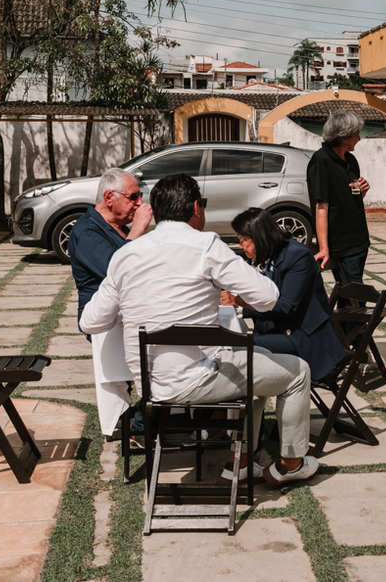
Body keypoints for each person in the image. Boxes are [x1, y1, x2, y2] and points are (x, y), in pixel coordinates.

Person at [80, 174, 319, 486]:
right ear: (196, 208)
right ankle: (291, 463)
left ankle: (242, 462)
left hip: (150, 387)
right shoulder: (206, 245)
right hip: (198, 379)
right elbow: (269, 297)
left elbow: (90, 322)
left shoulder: (126, 254)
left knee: (259, 361)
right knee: (298, 371)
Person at [229, 208, 347, 381]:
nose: (240, 246)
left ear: (260, 237)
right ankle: (240, 405)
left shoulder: (297, 255)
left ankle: (231, 406)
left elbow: (286, 306)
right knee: (229, 342)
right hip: (274, 331)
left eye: (244, 240)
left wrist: (242, 306)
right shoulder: (260, 256)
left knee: (237, 348)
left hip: (302, 337)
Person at [69, 167, 153, 330]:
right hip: (103, 320)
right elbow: (115, 270)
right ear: (109, 197)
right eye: (133, 197)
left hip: (128, 313)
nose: (140, 203)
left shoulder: (120, 228)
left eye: (140, 196)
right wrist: (138, 228)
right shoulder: (86, 231)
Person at [308, 111, 370, 282]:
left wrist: (362, 191)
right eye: (357, 134)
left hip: (359, 240)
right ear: (345, 138)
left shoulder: (351, 160)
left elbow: (350, 197)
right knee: (355, 297)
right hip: (341, 244)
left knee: (349, 297)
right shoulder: (321, 161)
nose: (359, 138)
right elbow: (321, 207)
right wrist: (323, 248)